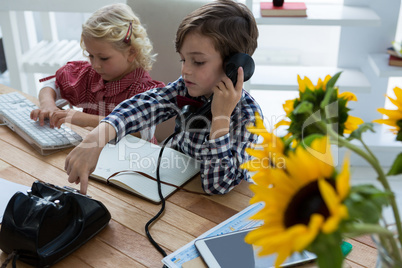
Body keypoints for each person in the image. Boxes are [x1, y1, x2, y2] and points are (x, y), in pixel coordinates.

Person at [64, 0, 263, 195]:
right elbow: (145, 105)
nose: (185, 70)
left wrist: (221, 118)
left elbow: (218, 185)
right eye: (183, 59)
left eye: (198, 62)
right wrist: (96, 138)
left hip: (217, 207)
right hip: (176, 184)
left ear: (234, 66)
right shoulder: (185, 88)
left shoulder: (248, 115)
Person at [30, 3, 165, 141]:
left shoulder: (142, 90)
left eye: (104, 58)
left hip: (133, 158)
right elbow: (52, 85)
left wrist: (86, 119)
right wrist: (48, 105)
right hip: (92, 152)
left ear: (131, 52)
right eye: (91, 55)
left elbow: (142, 133)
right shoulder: (90, 75)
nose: (95, 65)